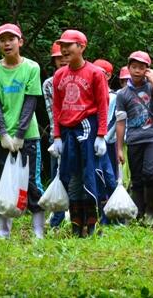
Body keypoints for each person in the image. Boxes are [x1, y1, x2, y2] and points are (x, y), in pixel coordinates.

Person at [0, 23, 45, 239]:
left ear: (20, 42)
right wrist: (3, 134)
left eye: (11, 39)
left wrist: (19, 135)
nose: (7, 43)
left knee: (32, 182)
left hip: (28, 136)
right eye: (2, 40)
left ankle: (38, 231)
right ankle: (3, 231)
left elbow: (30, 102)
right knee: (0, 181)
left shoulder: (32, 68)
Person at [49, 29, 108, 238]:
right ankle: (76, 226)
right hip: (67, 132)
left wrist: (101, 135)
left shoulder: (95, 73)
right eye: (62, 45)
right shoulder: (59, 75)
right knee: (72, 175)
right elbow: (57, 107)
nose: (64, 49)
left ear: (81, 47)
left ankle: (91, 225)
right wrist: (57, 136)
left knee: (89, 174)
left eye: (69, 45)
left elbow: (103, 104)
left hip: (88, 129)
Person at [115, 51, 153, 224]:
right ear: (128, 68)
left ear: (147, 69)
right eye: (134, 67)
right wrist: (119, 148)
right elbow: (120, 122)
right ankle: (138, 212)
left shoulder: (152, 87)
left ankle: (151, 211)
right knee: (136, 178)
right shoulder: (122, 94)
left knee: (150, 174)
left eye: (142, 67)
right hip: (133, 139)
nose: (137, 71)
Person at [43, 41, 69, 229]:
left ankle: (76, 214)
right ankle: (57, 216)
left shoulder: (83, 77)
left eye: (64, 56)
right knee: (56, 175)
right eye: (57, 58)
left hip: (79, 134)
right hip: (58, 134)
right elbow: (53, 113)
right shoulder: (49, 84)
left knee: (77, 176)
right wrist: (57, 136)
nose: (62, 60)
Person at [92, 59, 119, 225]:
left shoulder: (114, 96)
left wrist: (103, 136)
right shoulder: (90, 94)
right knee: (95, 178)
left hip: (107, 142)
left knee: (110, 178)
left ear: (108, 76)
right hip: (91, 142)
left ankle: (112, 214)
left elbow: (115, 119)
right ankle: (99, 215)